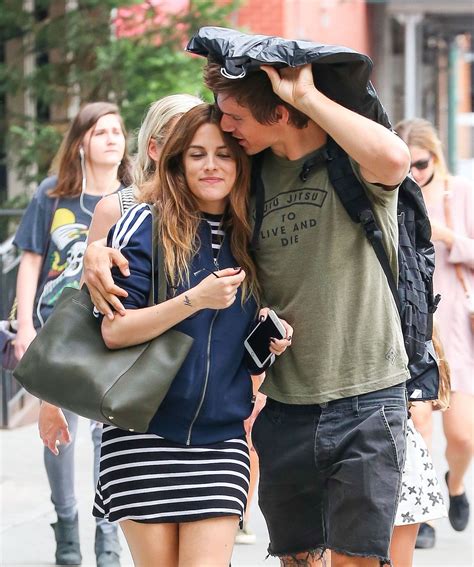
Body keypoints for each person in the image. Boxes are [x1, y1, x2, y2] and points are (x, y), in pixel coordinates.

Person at [83, 59, 412, 565]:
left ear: (275, 115)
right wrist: (95, 249)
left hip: (325, 408)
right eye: (198, 152)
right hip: (177, 429)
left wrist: (304, 94)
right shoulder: (208, 206)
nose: (223, 146)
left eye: (231, 124)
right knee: (297, 559)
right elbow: (121, 298)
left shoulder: (287, 193)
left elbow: (394, 160)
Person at [96, 103, 291, 566]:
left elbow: (235, 356)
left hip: (221, 440)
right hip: (142, 435)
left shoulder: (254, 235)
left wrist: (268, 344)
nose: (210, 165)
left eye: (223, 154)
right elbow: (114, 330)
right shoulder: (146, 225)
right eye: (197, 154)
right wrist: (194, 299)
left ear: (240, 163)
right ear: (178, 162)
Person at [13, 102, 131, 567]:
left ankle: (107, 538)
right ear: (82, 141)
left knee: (111, 437)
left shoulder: (133, 198)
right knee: (58, 430)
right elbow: (30, 260)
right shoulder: (52, 195)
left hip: (109, 329)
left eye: (118, 131)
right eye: (100, 131)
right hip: (53, 328)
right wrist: (24, 328)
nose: (111, 139)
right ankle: (66, 536)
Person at [396, 117, 473, 545]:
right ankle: (421, 516)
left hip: (456, 328)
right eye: (407, 165)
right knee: (418, 420)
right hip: (414, 326)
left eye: (420, 164)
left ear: (435, 156)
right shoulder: (392, 191)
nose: (414, 174)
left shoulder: (459, 192)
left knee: (463, 435)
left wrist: (445, 235)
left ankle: (455, 484)